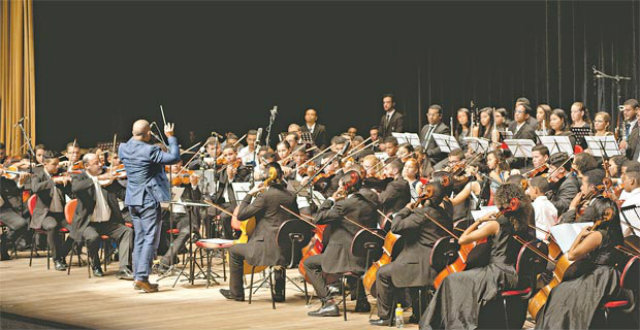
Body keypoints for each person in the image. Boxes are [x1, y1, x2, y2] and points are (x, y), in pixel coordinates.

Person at [420, 183, 533, 330]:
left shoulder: (496, 224)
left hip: (497, 274)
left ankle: (440, 325)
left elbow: (462, 239)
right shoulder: (525, 220)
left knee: (451, 279)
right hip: (515, 274)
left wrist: (480, 221)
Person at [370, 172, 453, 326]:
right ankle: (417, 313)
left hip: (419, 265)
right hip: (436, 263)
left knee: (382, 273)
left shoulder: (421, 214)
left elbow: (396, 227)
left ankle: (385, 317)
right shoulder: (444, 213)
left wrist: (406, 209)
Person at [535, 197, 633, 329]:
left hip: (599, 277)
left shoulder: (598, 235)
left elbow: (572, 254)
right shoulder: (616, 232)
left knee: (560, 291)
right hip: (610, 276)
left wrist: (580, 235)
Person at [304, 171, 380, 317]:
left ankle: (328, 303)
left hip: (346, 258)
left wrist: (331, 199)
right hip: (365, 256)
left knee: (309, 263)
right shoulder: (371, 203)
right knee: (347, 252)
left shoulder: (344, 205)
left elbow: (319, 218)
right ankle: (362, 301)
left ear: (344, 187)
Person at [219, 162, 298, 302]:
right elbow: (294, 220)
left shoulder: (265, 196)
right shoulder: (291, 196)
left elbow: (241, 215)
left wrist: (250, 194)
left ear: (266, 178)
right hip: (287, 250)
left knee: (233, 251)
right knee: (279, 245)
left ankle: (236, 293)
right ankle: (279, 292)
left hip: (265, 249)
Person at [118, 120, 180, 292]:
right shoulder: (149, 150)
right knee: (150, 239)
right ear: (147, 133)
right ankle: (142, 278)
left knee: (139, 238)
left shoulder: (123, 147)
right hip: (147, 199)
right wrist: (171, 138)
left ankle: (138, 276)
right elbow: (174, 158)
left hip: (132, 199)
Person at [69, 153, 133, 279]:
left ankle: (124, 268)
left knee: (127, 231)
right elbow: (75, 188)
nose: (100, 165)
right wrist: (97, 180)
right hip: (88, 224)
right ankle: (95, 264)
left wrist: (132, 182)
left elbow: (124, 194)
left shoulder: (108, 180)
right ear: (87, 166)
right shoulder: (80, 178)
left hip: (107, 223)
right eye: (96, 163)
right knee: (93, 237)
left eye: (100, 162)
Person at [526, 176, 558, 241]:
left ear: (535, 190)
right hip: (552, 240)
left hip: (540, 241)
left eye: (529, 188)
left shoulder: (534, 206)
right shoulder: (550, 205)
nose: (528, 191)